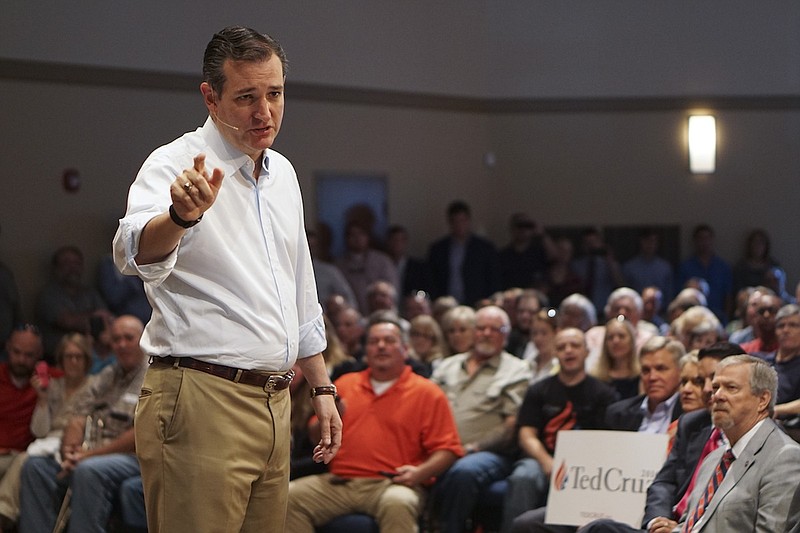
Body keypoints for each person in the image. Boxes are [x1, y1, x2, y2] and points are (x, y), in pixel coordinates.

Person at [112, 27, 341, 533]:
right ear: (210, 96)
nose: (265, 113)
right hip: (201, 399)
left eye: (275, 94)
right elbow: (131, 251)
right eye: (246, 98)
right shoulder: (174, 163)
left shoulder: (282, 172)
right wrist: (178, 218)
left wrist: (322, 387)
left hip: (276, 403)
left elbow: (300, 287)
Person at [285, 314, 463, 532]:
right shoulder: (345, 383)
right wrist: (331, 419)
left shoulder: (428, 392)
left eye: (389, 341)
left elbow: (449, 449)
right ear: (366, 351)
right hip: (340, 481)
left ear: (405, 350)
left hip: (392, 484)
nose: (381, 346)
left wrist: (419, 474)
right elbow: (315, 436)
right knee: (289, 497)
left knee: (399, 502)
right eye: (373, 341)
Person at [575, 342, 746, 533]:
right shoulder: (692, 423)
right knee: (597, 529)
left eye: (712, 379)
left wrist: (684, 528)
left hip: (698, 528)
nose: (706, 388)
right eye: (703, 380)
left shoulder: (751, 436)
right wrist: (657, 520)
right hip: (663, 524)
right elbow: (664, 482)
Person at [19, 315, 148, 533]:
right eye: (116, 339)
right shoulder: (109, 374)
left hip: (132, 457)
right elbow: (79, 411)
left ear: (143, 339)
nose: (122, 344)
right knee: (35, 467)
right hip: (90, 452)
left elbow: (140, 434)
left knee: (88, 471)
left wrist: (88, 456)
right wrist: (70, 449)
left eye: (129, 338)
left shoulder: (151, 374)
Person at [431, 305, 533, 533]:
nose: (487, 334)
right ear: (473, 331)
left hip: (488, 454)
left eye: (495, 329)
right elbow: (424, 409)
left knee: (463, 470)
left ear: (506, 335)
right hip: (438, 447)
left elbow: (510, 427)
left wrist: (471, 448)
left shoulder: (517, 370)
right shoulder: (446, 366)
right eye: (481, 328)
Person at [504, 327, 618, 531]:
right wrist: (547, 462)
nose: (568, 351)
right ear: (555, 353)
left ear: (587, 351)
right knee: (524, 476)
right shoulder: (538, 390)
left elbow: (608, 442)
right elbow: (526, 433)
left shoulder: (604, 393)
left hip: (588, 469)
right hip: (542, 460)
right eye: (562, 347)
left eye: (575, 345)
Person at [674, 355, 800, 531]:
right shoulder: (713, 458)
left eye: (731, 388)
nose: (717, 395)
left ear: (763, 400)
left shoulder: (785, 458)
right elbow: (693, 525)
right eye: (716, 387)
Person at [0, 333, 93, 530]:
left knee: (25, 459)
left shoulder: (95, 385)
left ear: (87, 360)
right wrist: (42, 398)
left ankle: (4, 513)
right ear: (61, 359)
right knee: (30, 457)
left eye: (79, 356)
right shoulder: (53, 384)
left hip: (73, 444)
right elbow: (39, 431)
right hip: (45, 443)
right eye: (68, 356)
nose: (73, 361)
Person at [0, 325, 43, 531]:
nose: (21, 360)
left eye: (29, 355)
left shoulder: (46, 381)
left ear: (39, 355)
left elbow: (77, 384)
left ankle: (3, 517)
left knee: (26, 461)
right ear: (7, 348)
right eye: (17, 352)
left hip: (22, 455)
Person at [35, 246, 112, 362]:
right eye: (66, 263)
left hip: (90, 357)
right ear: (56, 268)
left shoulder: (90, 293)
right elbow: (67, 321)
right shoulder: (48, 295)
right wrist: (94, 317)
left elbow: (106, 318)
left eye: (76, 263)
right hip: (58, 359)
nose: (72, 268)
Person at [428, 200, 501, 306]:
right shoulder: (438, 249)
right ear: (450, 222)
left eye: (462, 220)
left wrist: (489, 301)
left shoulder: (484, 248)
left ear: (468, 221)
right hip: (446, 304)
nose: (459, 225)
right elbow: (432, 280)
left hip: (477, 303)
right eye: (455, 221)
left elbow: (493, 278)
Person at [603, 336, 683, 433]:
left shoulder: (691, 415)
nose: (652, 377)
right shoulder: (617, 414)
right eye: (646, 370)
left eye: (661, 369)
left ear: (680, 372)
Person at [336, 221, 399, 315]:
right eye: (353, 235)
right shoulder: (339, 265)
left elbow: (393, 288)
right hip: (353, 315)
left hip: (382, 313)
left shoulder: (382, 261)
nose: (357, 239)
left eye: (361, 234)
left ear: (368, 237)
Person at [677, 224, 733, 323]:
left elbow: (728, 296)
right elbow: (679, 295)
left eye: (707, 238)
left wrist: (726, 317)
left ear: (712, 240)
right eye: (700, 238)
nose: (704, 242)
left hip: (718, 316)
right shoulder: (686, 267)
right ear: (695, 241)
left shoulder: (722, 267)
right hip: (692, 317)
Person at [498, 213, 553, 290]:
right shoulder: (503, 255)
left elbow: (555, 258)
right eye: (519, 225)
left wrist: (542, 234)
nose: (523, 229)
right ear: (512, 228)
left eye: (527, 226)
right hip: (511, 296)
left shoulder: (538, 252)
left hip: (535, 295)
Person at [590, 318, 641, 400]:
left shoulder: (642, 375)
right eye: (610, 337)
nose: (616, 341)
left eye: (621, 336)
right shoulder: (595, 377)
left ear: (631, 341)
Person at [622, 229, 674, 298]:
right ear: (640, 242)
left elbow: (669, 293)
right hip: (637, 307)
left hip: (661, 307)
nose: (650, 244)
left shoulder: (665, 267)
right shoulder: (629, 267)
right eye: (646, 241)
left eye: (652, 241)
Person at [385, 225, 430, 298]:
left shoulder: (418, 267)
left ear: (406, 242)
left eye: (401, 240)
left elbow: (426, 290)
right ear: (388, 242)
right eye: (394, 240)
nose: (397, 244)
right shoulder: (381, 266)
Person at [521, 309, 559, 383]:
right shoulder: (526, 364)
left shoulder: (560, 365)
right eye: (534, 333)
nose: (538, 339)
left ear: (556, 333)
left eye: (544, 333)